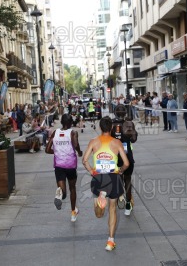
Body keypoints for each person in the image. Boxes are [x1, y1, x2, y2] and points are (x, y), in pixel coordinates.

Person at [82, 116, 129, 251]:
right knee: (112, 209)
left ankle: (102, 194)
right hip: (113, 177)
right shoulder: (117, 143)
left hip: (98, 178)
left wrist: (91, 171)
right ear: (112, 128)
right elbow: (126, 163)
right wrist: (120, 170)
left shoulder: (93, 142)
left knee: (98, 213)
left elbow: (84, 160)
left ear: (99, 127)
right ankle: (110, 241)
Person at [45, 114, 82, 222]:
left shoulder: (55, 132)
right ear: (71, 123)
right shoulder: (73, 133)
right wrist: (79, 152)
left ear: (61, 122)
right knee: (72, 188)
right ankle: (73, 212)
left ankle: (59, 194)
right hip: (70, 165)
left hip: (59, 166)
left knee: (63, 193)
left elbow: (47, 150)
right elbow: (75, 145)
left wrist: (56, 151)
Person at [111, 104, 137, 216]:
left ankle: (120, 194)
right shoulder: (129, 124)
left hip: (115, 156)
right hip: (127, 156)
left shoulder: (111, 124)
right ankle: (128, 206)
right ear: (125, 113)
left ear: (115, 113)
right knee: (128, 180)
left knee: (118, 178)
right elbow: (134, 139)